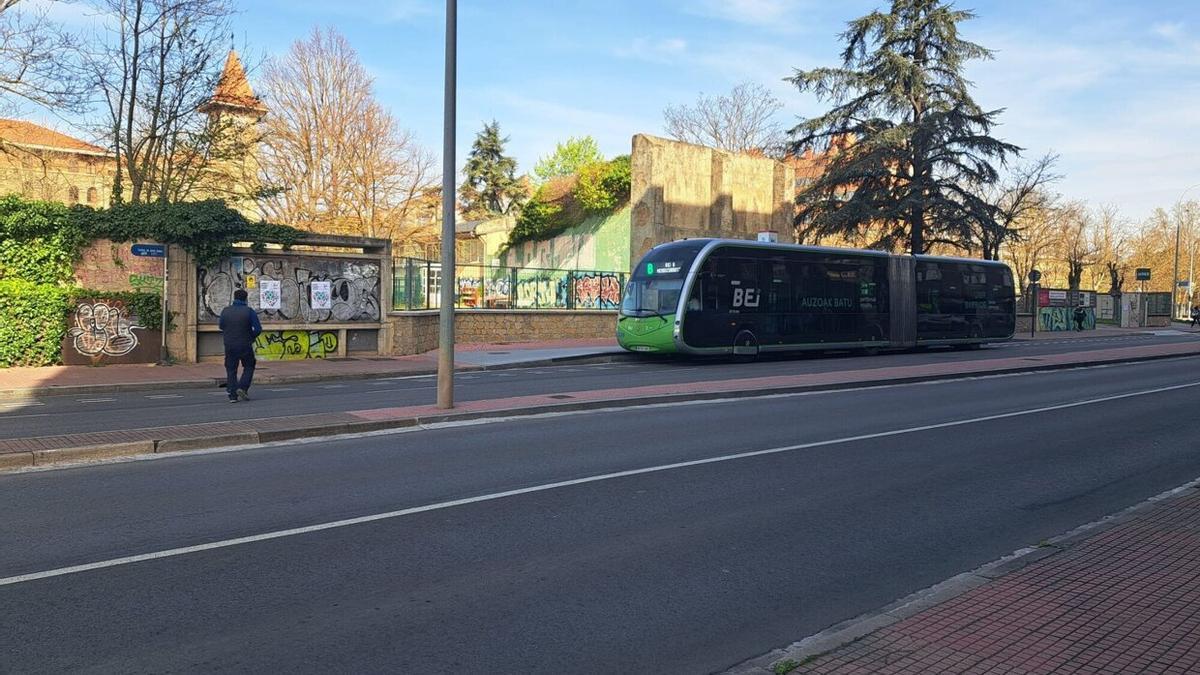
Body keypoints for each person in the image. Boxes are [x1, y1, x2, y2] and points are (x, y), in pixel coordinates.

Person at [219, 289, 262, 402]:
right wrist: (251, 337)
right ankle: (243, 387)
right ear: (246, 299)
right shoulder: (249, 311)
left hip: (229, 345)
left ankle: (232, 395)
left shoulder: (225, 311)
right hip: (245, 344)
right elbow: (258, 329)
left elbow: (221, 326)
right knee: (249, 366)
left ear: (234, 298)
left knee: (231, 369)